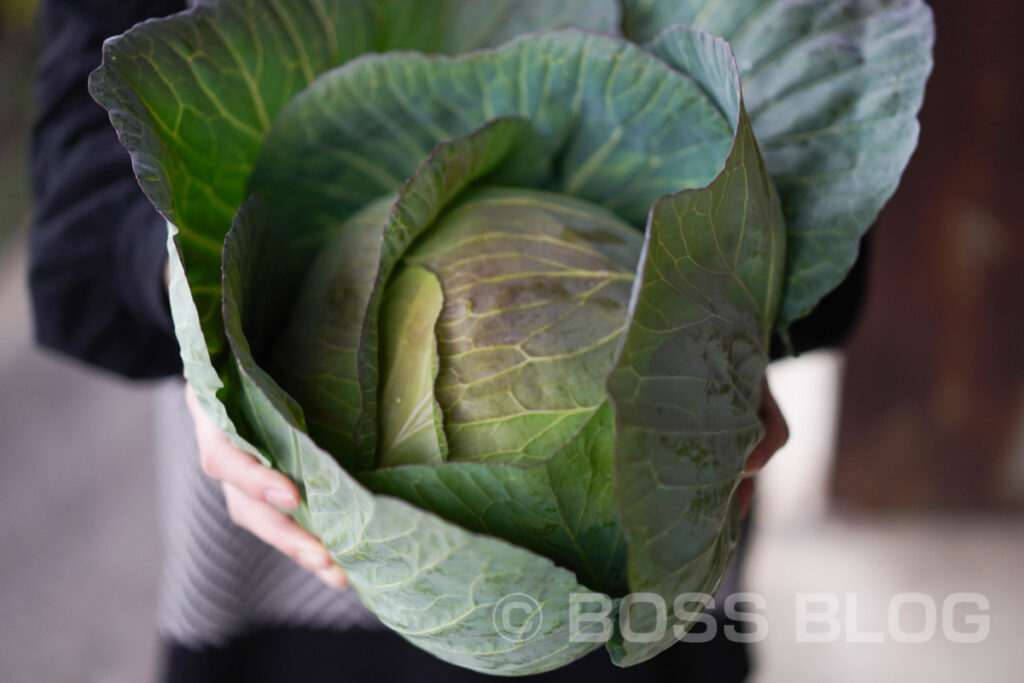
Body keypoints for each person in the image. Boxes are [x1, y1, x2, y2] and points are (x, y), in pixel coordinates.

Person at [29, 1, 868, 680]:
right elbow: (87, 170)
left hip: (643, 559)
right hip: (274, 563)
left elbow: (821, 84)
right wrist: (204, 311)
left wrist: (737, 321)